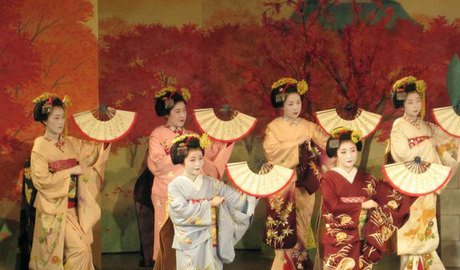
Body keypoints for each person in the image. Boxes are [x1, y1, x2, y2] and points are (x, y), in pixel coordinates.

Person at [148, 86, 234, 261]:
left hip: (193, 195)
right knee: (168, 237)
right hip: (167, 193)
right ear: (167, 113)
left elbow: (209, 153)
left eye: (184, 111)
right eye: (177, 111)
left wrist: (226, 136)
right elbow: (156, 163)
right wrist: (178, 154)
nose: (182, 115)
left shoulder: (191, 136)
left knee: (193, 240)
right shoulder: (157, 135)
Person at [29, 93, 111, 269]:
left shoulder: (70, 143)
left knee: (83, 251)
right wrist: (71, 171)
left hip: (73, 208)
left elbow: (96, 151)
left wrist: (109, 128)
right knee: (79, 251)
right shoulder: (39, 147)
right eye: (56, 118)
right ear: (45, 120)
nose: (61, 122)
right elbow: (41, 180)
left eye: (63, 117)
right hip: (54, 209)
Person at [389, 76, 460, 270]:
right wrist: (427, 144)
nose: (415, 105)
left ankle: (427, 263)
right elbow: (402, 154)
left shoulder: (427, 126)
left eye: (418, 100)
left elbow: (448, 138)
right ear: (402, 104)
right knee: (412, 221)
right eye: (410, 102)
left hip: (427, 181)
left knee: (427, 220)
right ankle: (411, 265)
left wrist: (456, 122)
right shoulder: (398, 126)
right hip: (411, 181)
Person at [263, 77, 329, 269]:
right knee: (283, 233)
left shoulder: (309, 126)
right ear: (282, 105)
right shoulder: (273, 127)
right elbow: (271, 152)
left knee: (301, 228)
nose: (295, 107)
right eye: (290, 103)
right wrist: (297, 144)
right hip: (282, 186)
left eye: (298, 102)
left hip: (304, 185)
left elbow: (326, 145)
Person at [167, 133, 256, 270]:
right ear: (182, 161)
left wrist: (253, 194)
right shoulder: (175, 186)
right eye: (192, 160)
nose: (198, 164)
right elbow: (180, 211)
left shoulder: (211, 183)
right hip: (189, 242)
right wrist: (209, 204)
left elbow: (233, 198)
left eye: (201, 158)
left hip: (211, 239)